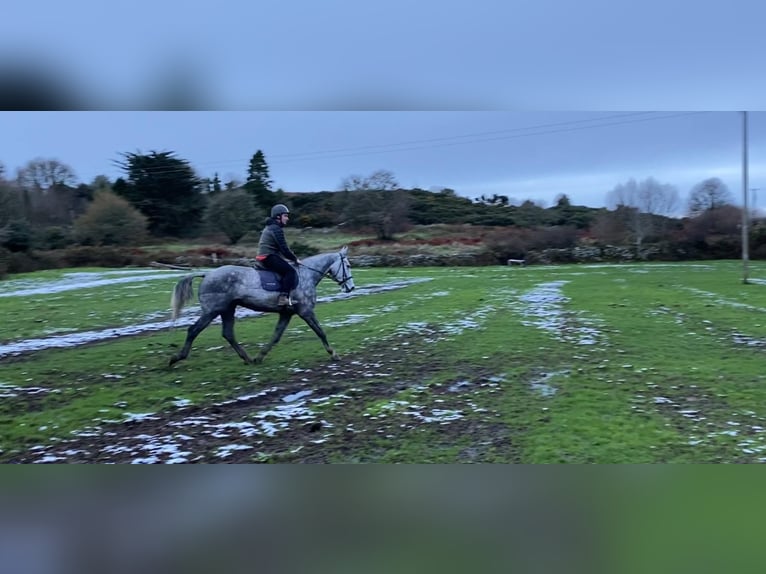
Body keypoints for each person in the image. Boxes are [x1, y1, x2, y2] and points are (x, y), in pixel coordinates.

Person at [256, 204, 302, 306]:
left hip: (267, 256)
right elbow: (284, 249)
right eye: (285, 216)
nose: (287, 218)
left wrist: (288, 258)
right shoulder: (276, 229)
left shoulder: (271, 227)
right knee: (290, 271)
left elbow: (280, 250)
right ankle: (283, 298)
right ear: (278, 217)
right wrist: (295, 259)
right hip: (268, 257)